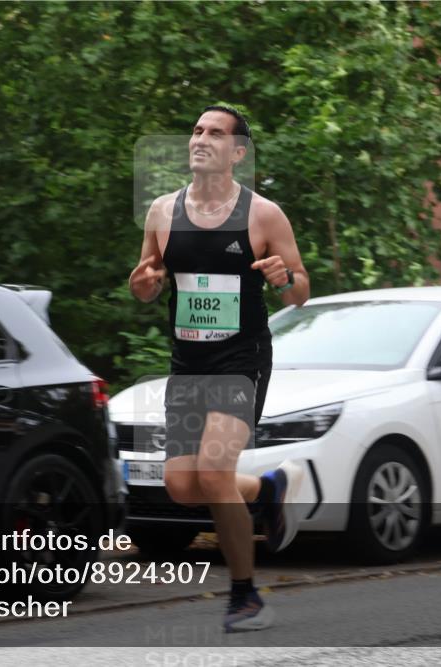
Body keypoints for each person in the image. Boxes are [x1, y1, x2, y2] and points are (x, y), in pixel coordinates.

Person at [128, 105, 310, 632]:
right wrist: (144, 285)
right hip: (189, 364)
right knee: (184, 486)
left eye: (215, 133)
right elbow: (146, 281)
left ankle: (246, 597)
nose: (201, 139)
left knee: (212, 472)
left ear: (238, 152)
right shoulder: (163, 211)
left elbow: (300, 291)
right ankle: (268, 491)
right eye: (196, 131)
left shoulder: (263, 215)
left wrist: (283, 277)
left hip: (242, 359)